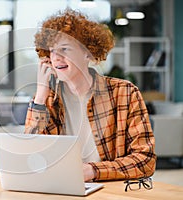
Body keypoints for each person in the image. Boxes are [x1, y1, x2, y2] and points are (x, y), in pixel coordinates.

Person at [24, 9, 156, 182]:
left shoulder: (125, 93)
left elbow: (145, 160)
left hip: (110, 190)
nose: (56, 58)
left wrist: (92, 171)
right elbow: (29, 157)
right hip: (61, 188)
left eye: (64, 49)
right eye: (52, 51)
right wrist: (40, 96)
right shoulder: (46, 99)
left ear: (87, 52)